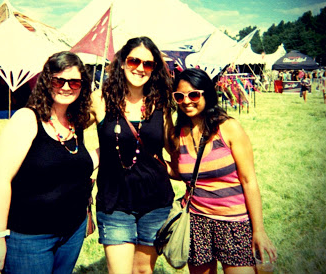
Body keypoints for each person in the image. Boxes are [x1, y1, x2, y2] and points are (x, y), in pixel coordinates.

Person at [0, 52, 98, 273]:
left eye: (74, 81)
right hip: (30, 237)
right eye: (59, 80)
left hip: (72, 232)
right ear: (47, 82)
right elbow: (1, 179)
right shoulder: (27, 119)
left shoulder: (75, 122)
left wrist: (112, 150)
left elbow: (73, 165)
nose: (66, 87)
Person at [166, 68, 277, 273]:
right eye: (180, 96)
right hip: (196, 221)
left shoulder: (228, 128)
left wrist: (259, 230)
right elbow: (179, 172)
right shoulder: (178, 135)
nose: (187, 101)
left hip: (234, 223)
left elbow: (249, 180)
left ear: (206, 94)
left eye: (194, 94)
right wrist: (151, 162)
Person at [89, 36, 174, 273]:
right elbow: (69, 124)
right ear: (122, 63)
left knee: (143, 271)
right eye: (134, 60)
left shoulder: (160, 103)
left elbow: (173, 145)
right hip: (115, 202)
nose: (140, 68)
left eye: (148, 64)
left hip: (155, 201)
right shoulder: (101, 99)